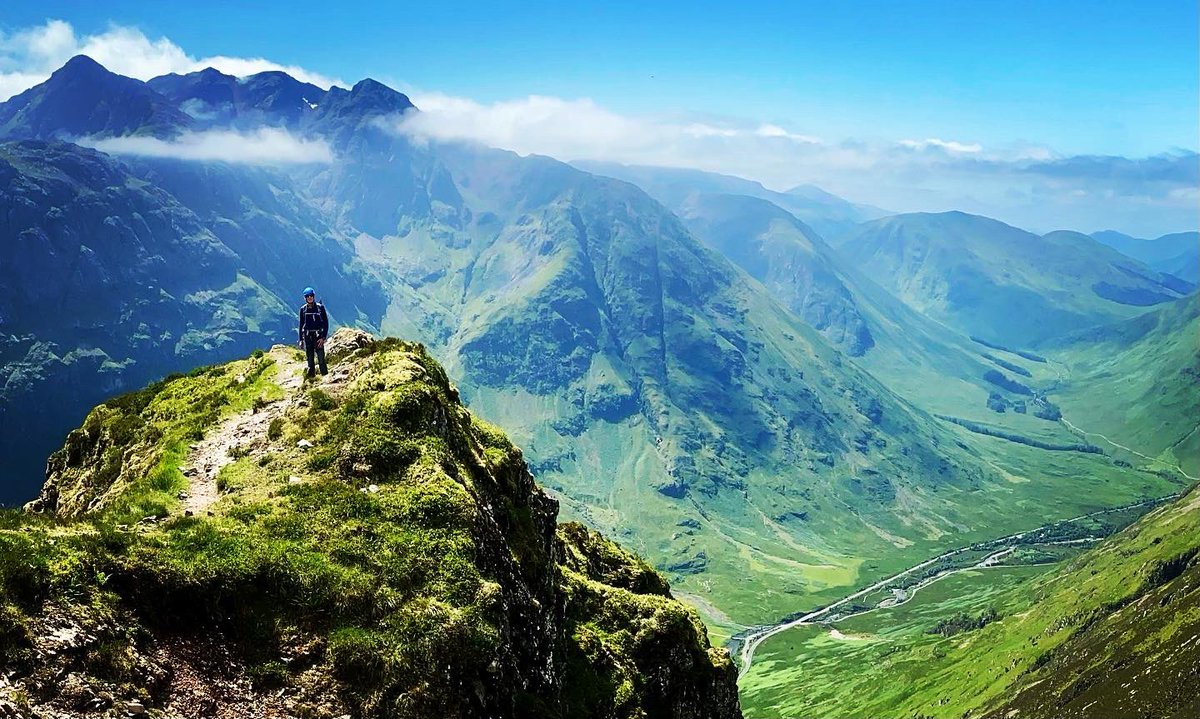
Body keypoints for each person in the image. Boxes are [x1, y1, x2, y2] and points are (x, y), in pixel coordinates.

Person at [298, 287, 329, 377]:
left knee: (321, 359)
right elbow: (301, 325)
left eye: (311, 296)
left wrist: (323, 337)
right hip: (308, 337)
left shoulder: (320, 308)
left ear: (314, 296)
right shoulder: (302, 310)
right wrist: (301, 340)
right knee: (310, 360)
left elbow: (326, 323)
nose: (310, 297)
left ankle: (325, 378)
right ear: (305, 298)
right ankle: (311, 381)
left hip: (318, 336)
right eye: (307, 296)